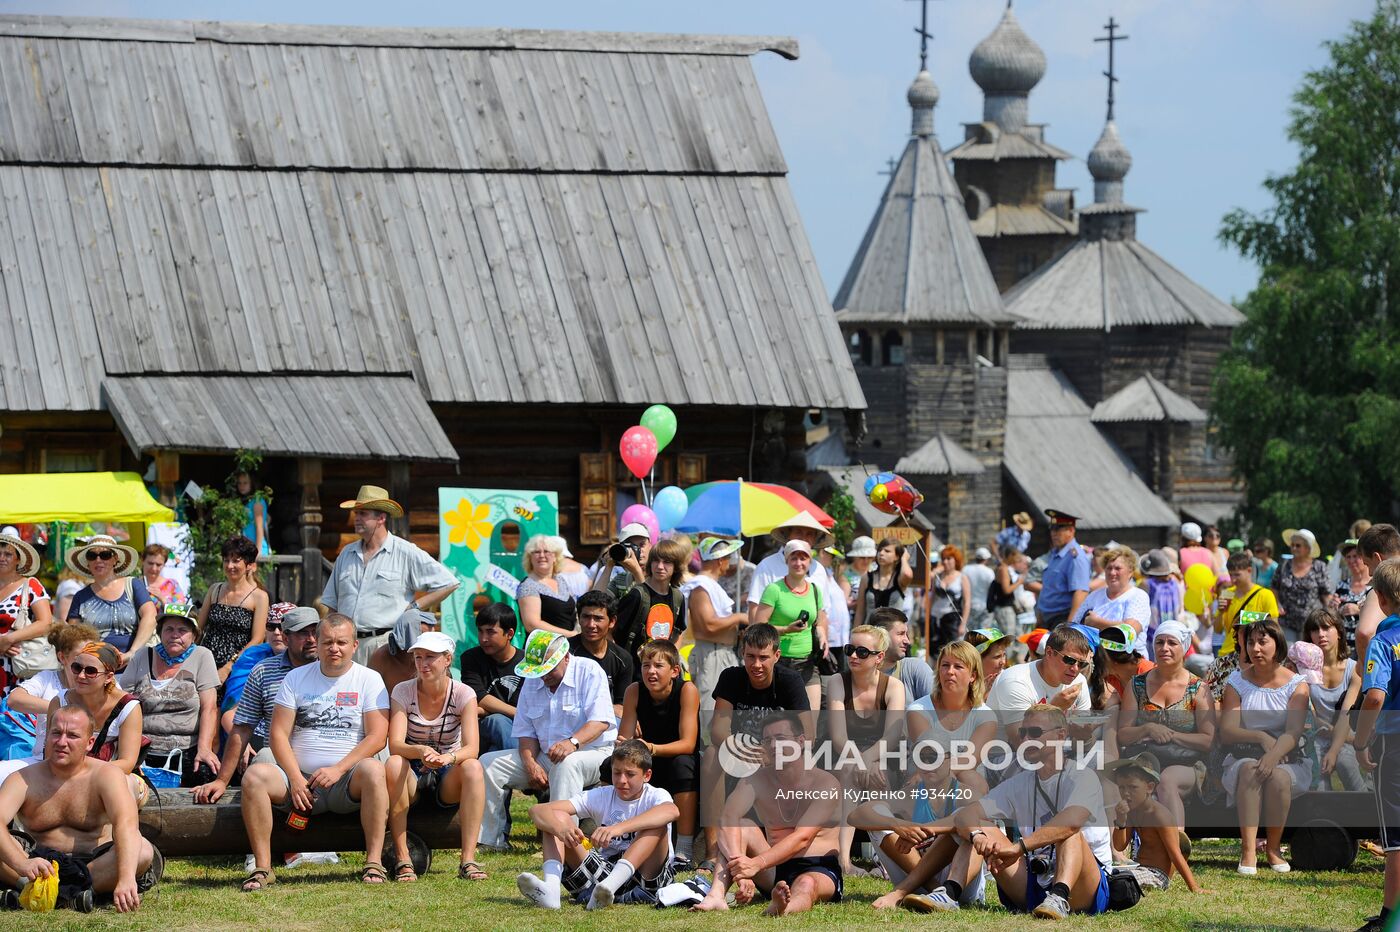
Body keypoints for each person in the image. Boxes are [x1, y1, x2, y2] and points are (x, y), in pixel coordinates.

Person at [891, 704, 1113, 918]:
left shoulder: (1083, 777)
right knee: (977, 825)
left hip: (1084, 888)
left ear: (1060, 735)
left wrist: (1019, 847)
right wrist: (974, 836)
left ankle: (1059, 897)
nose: (1025, 740)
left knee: (1069, 833)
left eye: (1035, 733)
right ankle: (949, 894)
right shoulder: (1020, 782)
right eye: (1023, 732)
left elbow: (1071, 822)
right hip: (1034, 880)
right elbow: (967, 814)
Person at [237, 613, 391, 890]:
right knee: (254, 776)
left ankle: (374, 861)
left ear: (355, 645)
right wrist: (295, 778)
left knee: (373, 769)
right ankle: (262, 867)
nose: (335, 648)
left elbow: (378, 736)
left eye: (342, 642)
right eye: (328, 642)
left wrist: (338, 769)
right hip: (300, 781)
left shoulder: (369, 679)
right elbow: (278, 734)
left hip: (347, 781)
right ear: (317, 644)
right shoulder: (296, 678)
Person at [0, 706, 157, 912]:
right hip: (37, 865)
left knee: (143, 851)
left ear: (89, 743)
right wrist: (21, 863)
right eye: (56, 733)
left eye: (72, 735)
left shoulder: (107, 775)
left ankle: (33, 892)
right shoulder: (22, 778)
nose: (62, 742)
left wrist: (126, 878)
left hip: (93, 865)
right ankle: (73, 895)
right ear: (47, 736)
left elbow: (126, 824)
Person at [478, 630, 617, 852]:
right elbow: (526, 732)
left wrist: (572, 742)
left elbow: (600, 721)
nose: (544, 676)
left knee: (567, 764)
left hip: (594, 753)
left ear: (565, 657)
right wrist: (530, 763)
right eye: (539, 671)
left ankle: (564, 844)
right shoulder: (533, 680)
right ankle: (491, 841)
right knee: (488, 764)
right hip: (546, 755)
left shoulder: (589, 671)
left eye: (548, 669)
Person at [692, 712, 843, 916]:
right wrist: (741, 869)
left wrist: (755, 863)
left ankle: (784, 907)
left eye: (780, 738)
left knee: (806, 884)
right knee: (741, 825)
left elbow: (803, 837)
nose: (773, 746)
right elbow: (728, 817)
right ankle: (716, 896)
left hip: (817, 866)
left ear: (800, 741)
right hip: (773, 868)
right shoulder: (755, 780)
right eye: (767, 740)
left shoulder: (826, 783)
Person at [519, 740, 679, 910]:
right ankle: (551, 890)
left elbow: (672, 811)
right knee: (554, 818)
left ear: (646, 775)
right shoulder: (602, 795)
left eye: (630, 774)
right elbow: (537, 811)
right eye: (616, 773)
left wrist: (618, 828)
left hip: (646, 878)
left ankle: (610, 886)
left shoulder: (656, 795)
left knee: (657, 824)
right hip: (603, 874)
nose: (622, 780)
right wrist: (561, 829)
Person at [703, 624, 812, 867]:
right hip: (739, 755)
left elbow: (808, 734)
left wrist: (775, 754)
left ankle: (789, 845)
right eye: (750, 656)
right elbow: (718, 730)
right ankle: (711, 852)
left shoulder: (790, 681)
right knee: (711, 755)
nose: (756, 665)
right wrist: (749, 752)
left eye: (764, 657)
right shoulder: (731, 677)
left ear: (777, 656)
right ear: (743, 654)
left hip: (781, 757)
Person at [192, 607, 321, 804]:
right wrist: (222, 780)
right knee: (260, 765)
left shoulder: (334, 668)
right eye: (303, 633)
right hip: (278, 760)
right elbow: (242, 727)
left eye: (315, 632)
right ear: (286, 639)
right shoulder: (263, 670)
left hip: (324, 755)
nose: (311, 639)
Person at [385, 631, 485, 882]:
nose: (423, 664)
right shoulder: (403, 690)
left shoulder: (464, 693)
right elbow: (395, 745)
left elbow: (472, 748)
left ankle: (468, 859)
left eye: (430, 657)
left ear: (448, 659)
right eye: (418, 657)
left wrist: (448, 758)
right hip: (412, 769)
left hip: (447, 770)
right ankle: (402, 856)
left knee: (473, 767)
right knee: (394, 762)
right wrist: (419, 750)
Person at [321, 485, 458, 664]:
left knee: (385, 693)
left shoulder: (405, 552)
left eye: (363, 513)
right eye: (356, 513)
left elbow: (449, 583)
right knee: (347, 693)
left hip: (385, 645)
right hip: (346, 646)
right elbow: (332, 606)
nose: (357, 518)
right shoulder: (346, 554)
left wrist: (415, 606)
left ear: (381, 518)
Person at [1218, 617, 1310, 874]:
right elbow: (1227, 731)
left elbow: (1293, 731)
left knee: (1278, 778)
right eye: (1250, 643)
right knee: (1250, 770)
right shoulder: (1237, 682)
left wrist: (1273, 755)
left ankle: (1273, 848)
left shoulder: (1296, 684)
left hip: (1288, 758)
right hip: (1243, 755)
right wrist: (1260, 738)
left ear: (1277, 643)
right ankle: (1248, 851)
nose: (1256, 648)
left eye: (1262, 642)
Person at [1116, 621, 1215, 828]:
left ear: (1185, 647)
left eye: (1172, 643)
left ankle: (1177, 845)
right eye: (1159, 642)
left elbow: (1208, 740)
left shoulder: (1198, 688)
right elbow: (1123, 734)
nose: (1164, 648)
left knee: (1167, 779)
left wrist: (1171, 735)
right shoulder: (1137, 685)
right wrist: (1147, 728)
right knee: (1140, 780)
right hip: (1145, 760)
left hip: (1188, 764)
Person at [827, 623, 907, 875]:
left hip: (884, 756)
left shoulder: (894, 687)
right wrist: (862, 762)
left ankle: (886, 859)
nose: (852, 656)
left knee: (878, 774)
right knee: (851, 770)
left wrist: (870, 760)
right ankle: (844, 861)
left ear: (879, 657)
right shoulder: (837, 682)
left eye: (862, 652)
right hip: (845, 755)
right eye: (850, 649)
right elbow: (838, 736)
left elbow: (892, 737)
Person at [117, 604, 221, 786]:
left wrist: (204, 748)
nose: (174, 635)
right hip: (141, 749)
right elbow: (121, 700)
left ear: (194, 635)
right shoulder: (143, 655)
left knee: (205, 773)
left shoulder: (202, 656)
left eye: (182, 630)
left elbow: (209, 708)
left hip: (186, 750)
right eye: (169, 629)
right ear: (160, 632)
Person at [618, 639, 700, 869]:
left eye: (658, 666)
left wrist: (650, 748)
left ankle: (684, 847)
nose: (650, 671)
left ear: (675, 671)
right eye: (645, 665)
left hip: (675, 757)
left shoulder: (687, 690)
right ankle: (614, 833)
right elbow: (624, 745)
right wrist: (629, 747)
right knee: (611, 766)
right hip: (647, 758)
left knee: (683, 765)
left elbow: (688, 744)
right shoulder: (634, 691)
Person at [1351, 559, 1400, 932]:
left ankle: (1391, 917)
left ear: (1381, 599)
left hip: (1394, 743)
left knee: (1396, 839)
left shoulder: (1384, 641)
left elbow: (1374, 697)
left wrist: (1360, 740)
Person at [4, 622, 101, 763]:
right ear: (62, 658)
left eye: (92, 654)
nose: (87, 660)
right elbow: (14, 700)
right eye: (80, 656)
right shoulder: (47, 678)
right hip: (43, 760)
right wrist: (59, 706)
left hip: (91, 762)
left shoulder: (103, 679)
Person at [1108, 752, 1203, 893]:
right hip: (1139, 869)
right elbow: (1119, 845)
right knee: (1107, 876)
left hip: (1157, 876)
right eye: (1122, 787)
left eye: (1133, 787)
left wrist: (1194, 887)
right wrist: (1121, 820)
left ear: (1149, 787)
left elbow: (1176, 854)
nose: (1126, 793)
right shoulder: (1132, 811)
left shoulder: (1160, 816)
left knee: (1118, 881)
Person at [754, 539, 829, 712]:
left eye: (803, 558)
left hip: (808, 663)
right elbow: (758, 626)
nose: (798, 563)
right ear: (786, 561)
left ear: (810, 561)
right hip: (779, 662)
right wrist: (786, 629)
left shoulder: (815, 590)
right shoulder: (774, 589)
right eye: (794, 558)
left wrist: (823, 635)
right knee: (780, 720)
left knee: (811, 720)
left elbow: (820, 621)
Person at [64, 536, 156, 668]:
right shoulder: (80, 596)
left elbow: (150, 616)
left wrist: (131, 653)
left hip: (136, 665)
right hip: (96, 669)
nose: (98, 560)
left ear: (115, 559)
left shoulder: (133, 585)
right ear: (87, 562)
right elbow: (74, 636)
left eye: (105, 555)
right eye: (92, 555)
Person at [1302, 607, 1366, 791]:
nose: (1321, 634)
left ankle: (1367, 811)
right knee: (1319, 789)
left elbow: (1347, 714)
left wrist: (1334, 749)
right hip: (1318, 737)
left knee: (1345, 762)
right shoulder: (1304, 671)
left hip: (1347, 738)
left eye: (1326, 628)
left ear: (1339, 632)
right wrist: (1334, 734)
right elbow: (1310, 716)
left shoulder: (1354, 669)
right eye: (1315, 629)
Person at [986, 624, 1092, 733]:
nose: (1075, 668)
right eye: (1070, 660)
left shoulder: (1079, 681)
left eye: (1082, 664)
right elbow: (1021, 742)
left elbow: (1082, 744)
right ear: (1049, 652)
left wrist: (1085, 735)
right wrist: (1055, 708)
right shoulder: (1016, 681)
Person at [683, 537, 747, 711]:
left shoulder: (708, 585)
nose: (730, 561)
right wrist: (739, 618)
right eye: (728, 557)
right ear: (720, 560)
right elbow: (708, 625)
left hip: (720, 654)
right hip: (712, 655)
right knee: (711, 712)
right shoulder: (701, 587)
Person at [194, 536, 270, 681]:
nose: (229, 566)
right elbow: (198, 629)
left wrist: (229, 666)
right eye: (226, 560)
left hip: (238, 668)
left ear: (248, 565)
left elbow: (257, 639)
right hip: (206, 663)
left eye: (236, 561)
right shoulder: (214, 590)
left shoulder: (260, 597)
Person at [459, 602, 524, 755]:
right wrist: (518, 713)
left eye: (490, 632)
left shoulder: (526, 663)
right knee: (497, 721)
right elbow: (478, 697)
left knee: (494, 750)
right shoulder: (471, 658)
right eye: (480, 632)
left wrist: (486, 709)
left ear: (509, 634)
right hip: (483, 727)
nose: (483, 639)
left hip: (521, 729)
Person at [221, 601, 293, 734]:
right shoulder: (252, 655)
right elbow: (233, 706)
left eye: (282, 626)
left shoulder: (313, 660)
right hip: (252, 731)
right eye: (271, 626)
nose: (277, 632)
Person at [745, 512, 833, 620]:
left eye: (809, 534)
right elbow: (755, 609)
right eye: (798, 532)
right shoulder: (767, 567)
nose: (803, 538)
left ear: (815, 539)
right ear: (788, 535)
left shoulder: (818, 569)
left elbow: (822, 613)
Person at [613, 539, 688, 662]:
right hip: (633, 669)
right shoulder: (637, 595)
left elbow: (678, 633)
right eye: (656, 560)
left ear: (676, 567)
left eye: (667, 562)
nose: (660, 567)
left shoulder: (678, 597)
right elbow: (612, 630)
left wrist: (671, 659)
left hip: (662, 671)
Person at [0, 530, 52, 695]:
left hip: (18, 666)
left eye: (8, 554)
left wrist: (8, 640)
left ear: (18, 559)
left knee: (13, 717)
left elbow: (45, 624)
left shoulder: (30, 585)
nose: (1, 558)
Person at [1070, 546, 1150, 654]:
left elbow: (1130, 631)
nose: (1112, 573)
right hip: (1098, 662)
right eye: (1109, 568)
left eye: (1118, 568)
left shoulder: (1138, 596)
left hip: (1130, 662)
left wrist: (1097, 622)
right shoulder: (1094, 596)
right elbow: (1074, 626)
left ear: (1130, 572)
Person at [571, 591, 633, 714]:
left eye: (598, 618)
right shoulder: (565, 653)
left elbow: (621, 707)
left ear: (612, 621)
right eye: (586, 617)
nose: (591, 625)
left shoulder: (623, 658)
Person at [1036, 510, 1091, 628]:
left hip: (1062, 619)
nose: (1053, 533)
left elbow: (1081, 592)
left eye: (1058, 529)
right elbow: (1048, 588)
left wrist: (1070, 626)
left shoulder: (1075, 557)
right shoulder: (1055, 554)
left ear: (1071, 530)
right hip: (1047, 619)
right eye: (1052, 529)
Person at [518, 535, 579, 637]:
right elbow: (532, 624)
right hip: (542, 648)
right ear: (530, 558)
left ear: (555, 557)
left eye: (546, 551)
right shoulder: (528, 585)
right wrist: (570, 635)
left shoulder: (560, 580)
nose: (542, 555)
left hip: (567, 646)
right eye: (536, 552)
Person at [1272, 528, 1330, 637]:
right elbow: (1274, 588)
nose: (1294, 548)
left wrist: (1329, 617)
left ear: (1308, 548)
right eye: (1292, 545)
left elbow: (1326, 595)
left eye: (1298, 545)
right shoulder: (1284, 565)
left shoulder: (1319, 566)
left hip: (1312, 624)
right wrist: (1277, 604)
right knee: (1288, 653)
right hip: (1286, 623)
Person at [870, 607, 934, 702]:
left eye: (906, 634)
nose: (907, 641)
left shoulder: (915, 669)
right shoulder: (860, 674)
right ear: (881, 635)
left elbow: (938, 710)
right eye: (900, 634)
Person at [367, 608, 438, 694]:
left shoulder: (437, 659)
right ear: (407, 636)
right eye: (423, 635)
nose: (428, 642)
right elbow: (368, 694)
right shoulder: (382, 657)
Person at [1357, 524, 1400, 664]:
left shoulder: (1383, 587)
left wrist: (1366, 672)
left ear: (1377, 558)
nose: (1369, 573)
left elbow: (1365, 633)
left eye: (1367, 564)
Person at [853, 537, 915, 629]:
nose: (881, 553)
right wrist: (855, 633)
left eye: (887, 551)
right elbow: (860, 612)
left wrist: (904, 558)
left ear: (897, 557)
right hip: (870, 634)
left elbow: (908, 574)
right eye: (880, 550)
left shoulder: (899, 578)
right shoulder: (867, 578)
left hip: (892, 635)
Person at [594, 522, 654, 600]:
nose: (638, 550)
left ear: (650, 545)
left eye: (642, 545)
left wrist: (637, 572)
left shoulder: (658, 575)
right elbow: (596, 601)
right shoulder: (621, 579)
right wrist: (608, 566)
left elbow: (649, 606)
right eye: (632, 546)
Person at [928, 546, 971, 654]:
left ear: (955, 560)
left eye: (949, 559)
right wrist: (927, 615)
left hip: (953, 618)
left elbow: (967, 602)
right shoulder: (938, 576)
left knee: (953, 650)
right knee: (935, 650)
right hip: (935, 616)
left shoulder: (962, 577)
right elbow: (932, 597)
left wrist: (963, 623)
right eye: (943, 559)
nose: (945, 562)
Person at [1334, 539, 1373, 653]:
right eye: (1348, 557)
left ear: (1365, 558)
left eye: (1355, 556)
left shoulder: (1375, 585)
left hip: (1368, 645)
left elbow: (1384, 612)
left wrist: (1358, 610)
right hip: (1345, 646)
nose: (1351, 560)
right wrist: (1335, 608)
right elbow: (1335, 617)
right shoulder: (1342, 585)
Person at [817, 545, 852, 664]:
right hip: (829, 636)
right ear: (822, 553)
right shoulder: (818, 575)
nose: (833, 560)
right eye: (831, 556)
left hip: (839, 637)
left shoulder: (829, 575)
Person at [989, 547, 1025, 637]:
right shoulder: (1003, 569)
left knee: (1015, 635)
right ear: (1010, 556)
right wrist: (1019, 582)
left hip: (1007, 606)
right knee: (1008, 637)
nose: (1017, 561)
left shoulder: (1004, 567)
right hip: (1004, 607)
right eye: (1016, 558)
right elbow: (1006, 590)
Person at [235, 469, 271, 558]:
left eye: (245, 483)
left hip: (257, 549)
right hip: (247, 549)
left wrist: (257, 553)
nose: (242, 486)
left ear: (251, 484)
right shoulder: (246, 503)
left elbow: (259, 527)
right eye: (239, 483)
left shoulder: (257, 501)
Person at [138, 544, 183, 609]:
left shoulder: (172, 585)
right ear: (143, 561)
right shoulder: (133, 584)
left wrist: (163, 599)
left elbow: (181, 610)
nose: (154, 568)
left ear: (164, 564)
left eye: (158, 565)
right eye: (150, 563)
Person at [965, 548, 995, 627]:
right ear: (986, 559)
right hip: (985, 606)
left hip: (969, 606)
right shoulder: (989, 572)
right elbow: (992, 589)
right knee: (984, 634)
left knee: (970, 633)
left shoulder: (966, 569)